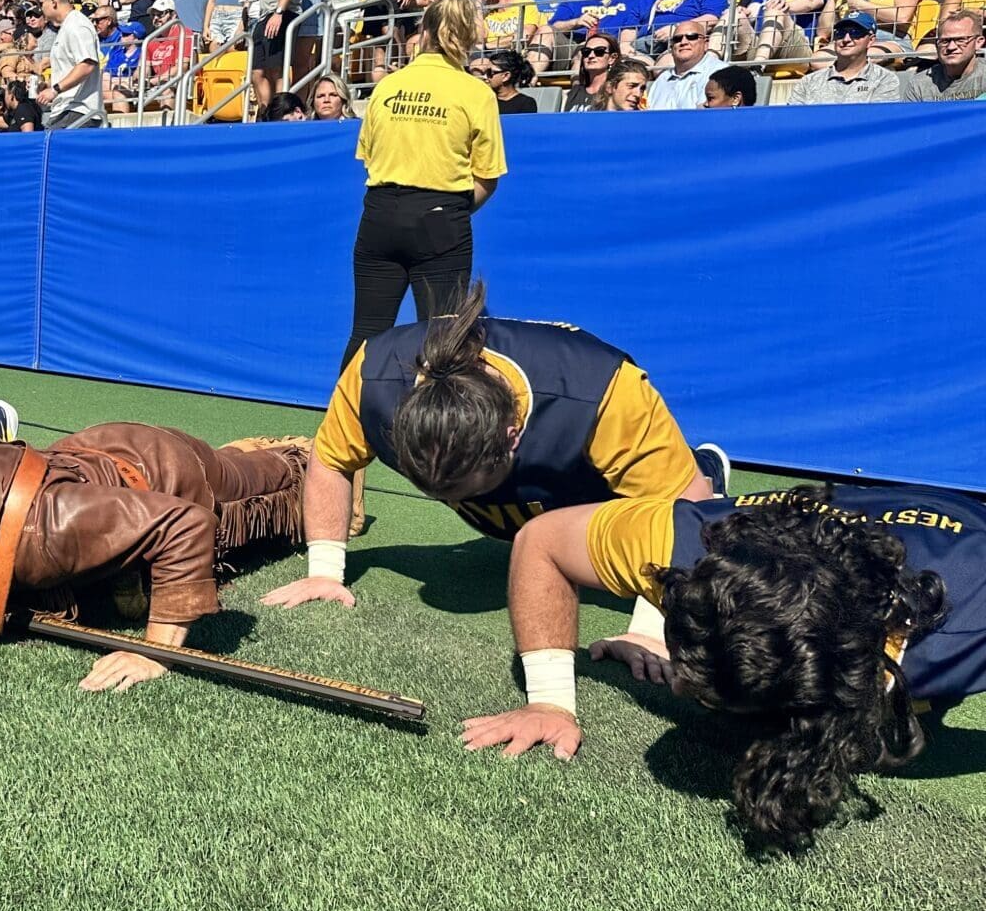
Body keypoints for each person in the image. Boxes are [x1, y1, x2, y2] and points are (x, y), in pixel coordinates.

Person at [459, 484, 986, 853]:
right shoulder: (690, 545)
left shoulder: (963, 628)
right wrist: (549, 699)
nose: (681, 685)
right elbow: (543, 539)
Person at [260, 285, 729, 615]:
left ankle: (708, 465)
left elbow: (681, 516)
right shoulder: (374, 378)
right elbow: (331, 459)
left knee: (679, 509)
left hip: (599, 494)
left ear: (511, 437)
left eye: (459, 488)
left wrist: (650, 629)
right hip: (520, 510)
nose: (447, 501)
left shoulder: (604, 394)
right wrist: (324, 572)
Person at [0, 393, 309, 691]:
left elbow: (184, 523)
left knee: (262, 478)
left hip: (159, 465)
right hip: (83, 460)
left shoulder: (47, 526)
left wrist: (157, 651)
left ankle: (302, 457)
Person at [340, 0, 503, 371]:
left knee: (366, 330)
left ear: (424, 31)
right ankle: (439, 429)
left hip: (380, 213)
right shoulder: (475, 92)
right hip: (440, 215)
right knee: (444, 337)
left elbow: (368, 156)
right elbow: (487, 178)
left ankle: (343, 425)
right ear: (466, 38)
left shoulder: (387, 87)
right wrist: (449, 209)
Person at [35, 0, 103, 128]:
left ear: (53, 1)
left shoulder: (77, 24)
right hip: (65, 110)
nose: (41, 10)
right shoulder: (66, 27)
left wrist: (55, 89)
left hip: (78, 111)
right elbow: (71, 67)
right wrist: (49, 85)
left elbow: (87, 65)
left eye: (41, 4)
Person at [789, 13, 903, 103]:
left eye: (855, 33)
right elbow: (793, 120)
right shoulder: (809, 81)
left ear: (871, 40)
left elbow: (880, 122)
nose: (846, 39)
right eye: (841, 33)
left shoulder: (884, 79)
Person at [898, 9, 986, 101]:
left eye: (961, 40)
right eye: (945, 41)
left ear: (978, 42)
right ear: (936, 45)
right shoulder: (919, 85)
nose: (951, 47)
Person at [644, 22, 727, 110]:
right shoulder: (661, 80)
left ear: (705, 44)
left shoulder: (721, 72)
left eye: (692, 37)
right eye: (677, 39)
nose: (683, 42)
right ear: (672, 47)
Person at [471, 49, 537, 115]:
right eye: (485, 72)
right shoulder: (483, 101)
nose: (485, 77)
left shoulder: (526, 103)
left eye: (490, 72)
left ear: (506, 76)